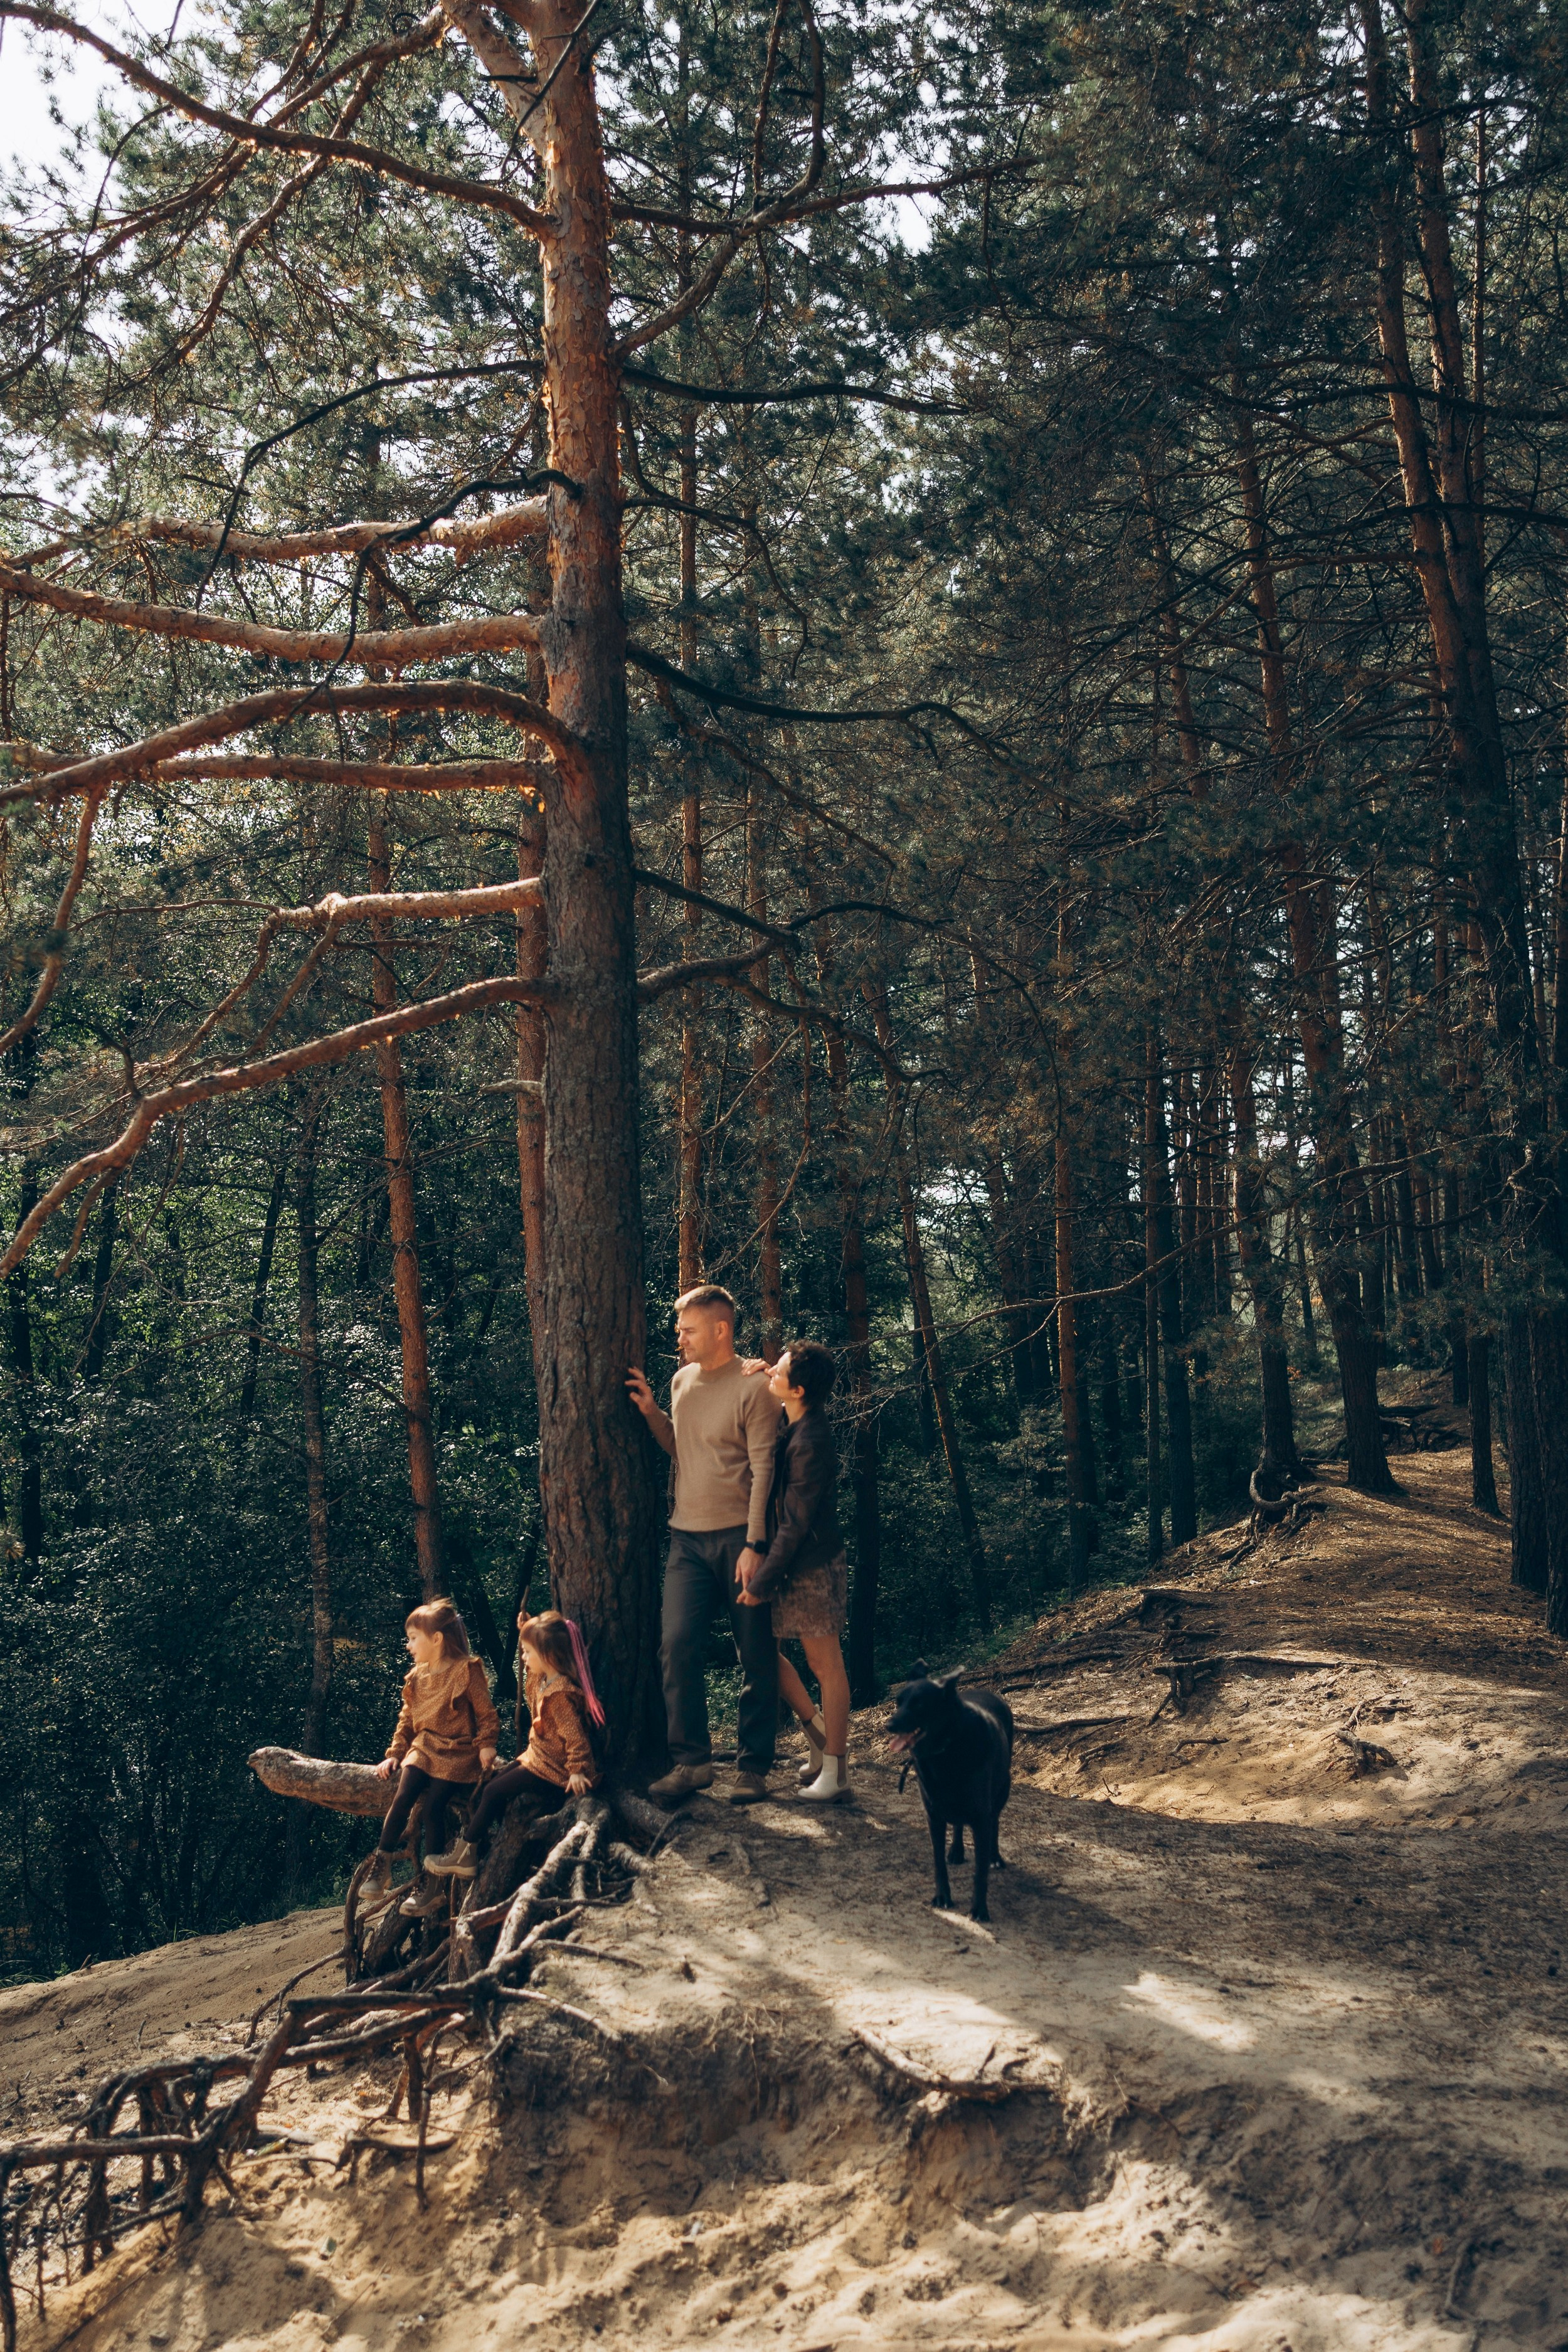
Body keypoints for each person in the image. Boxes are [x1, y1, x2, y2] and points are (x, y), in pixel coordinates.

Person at [627, 1283, 781, 1804]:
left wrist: (756, 1542)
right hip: (686, 1540)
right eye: (678, 1329)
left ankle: (754, 1767)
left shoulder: (755, 1388)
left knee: (756, 1654)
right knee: (676, 1645)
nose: (680, 1338)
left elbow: (764, 1468)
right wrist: (652, 1413)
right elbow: (682, 1450)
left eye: (688, 1330)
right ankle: (691, 1763)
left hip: (742, 1536)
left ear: (721, 1329)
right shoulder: (680, 1381)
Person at [739, 1342, 852, 1802]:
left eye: (779, 1370)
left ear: (799, 1389)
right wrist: (764, 1371)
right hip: (793, 1566)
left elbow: (795, 1525)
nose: (772, 1372)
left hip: (811, 1568)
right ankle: (822, 1742)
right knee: (767, 1654)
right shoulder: (799, 1418)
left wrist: (763, 1580)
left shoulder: (812, 1441)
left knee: (826, 1667)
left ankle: (838, 1773)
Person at [427, 1610, 603, 1880]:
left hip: (552, 1769)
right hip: (537, 1758)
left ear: (548, 1657)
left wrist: (578, 1769)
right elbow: (532, 1684)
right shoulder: (546, 1681)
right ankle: (479, 1843)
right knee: (491, 1784)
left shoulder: (561, 1695)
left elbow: (575, 1737)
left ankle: (466, 1855)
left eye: (528, 1653)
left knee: (494, 1792)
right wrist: (528, 1628)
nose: (523, 1658)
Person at [363, 1599, 499, 1915]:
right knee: (404, 1796)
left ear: (437, 1639)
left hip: (457, 1750)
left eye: (414, 1638)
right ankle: (381, 1865)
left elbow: (487, 1714)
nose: (409, 1645)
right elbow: (407, 1720)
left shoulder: (467, 1670)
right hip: (423, 1747)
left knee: (433, 1809)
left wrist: (486, 1744)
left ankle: (433, 1887)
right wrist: (395, 1754)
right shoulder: (417, 1677)